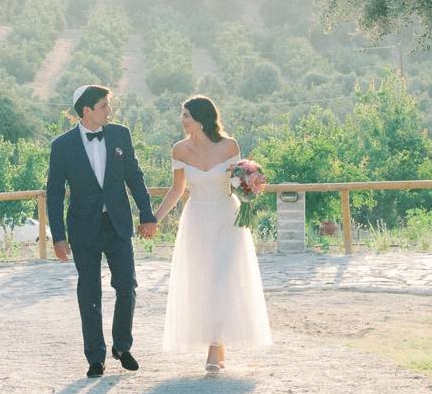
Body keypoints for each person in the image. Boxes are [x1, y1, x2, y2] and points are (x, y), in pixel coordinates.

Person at [46, 84, 158, 378]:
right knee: (89, 290)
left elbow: (134, 177)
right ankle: (95, 356)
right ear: (87, 111)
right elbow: (55, 193)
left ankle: (122, 346)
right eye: (104, 106)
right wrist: (57, 237)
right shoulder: (62, 146)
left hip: (118, 223)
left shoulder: (121, 135)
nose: (110, 111)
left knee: (127, 286)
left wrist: (147, 215)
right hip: (83, 229)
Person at [154, 96, 272, 371]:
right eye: (182, 115)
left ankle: (215, 346)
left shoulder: (229, 146)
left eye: (186, 116)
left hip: (226, 216)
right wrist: (155, 218)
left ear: (202, 118)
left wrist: (250, 186)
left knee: (222, 277)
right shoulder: (179, 150)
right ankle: (214, 342)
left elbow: (238, 182)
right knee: (202, 279)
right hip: (196, 218)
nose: (182, 121)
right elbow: (177, 190)